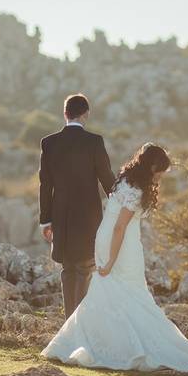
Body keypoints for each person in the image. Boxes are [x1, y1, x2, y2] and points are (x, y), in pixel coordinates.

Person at [41, 143, 188, 372]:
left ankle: (99, 342)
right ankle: (119, 346)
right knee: (129, 292)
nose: (161, 176)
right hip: (120, 244)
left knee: (111, 293)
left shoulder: (125, 180)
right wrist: (112, 261)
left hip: (110, 238)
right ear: (152, 166)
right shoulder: (136, 190)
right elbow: (120, 228)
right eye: (161, 170)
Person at [38, 93, 115, 319]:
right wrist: (121, 203)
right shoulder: (94, 142)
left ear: (65, 114)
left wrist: (45, 219)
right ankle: (78, 324)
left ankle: (69, 324)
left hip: (60, 217)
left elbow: (45, 185)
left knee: (68, 268)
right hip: (89, 218)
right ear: (86, 114)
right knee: (84, 268)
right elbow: (107, 180)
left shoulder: (49, 143)